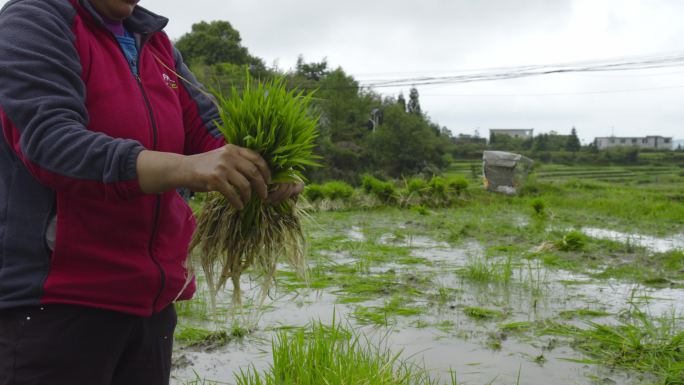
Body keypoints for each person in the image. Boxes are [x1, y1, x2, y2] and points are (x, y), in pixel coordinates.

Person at [0, 0, 301, 384]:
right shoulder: (35, 19)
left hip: (151, 304)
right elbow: (51, 142)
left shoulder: (154, 43)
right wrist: (187, 168)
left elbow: (209, 131)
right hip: (57, 305)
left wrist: (267, 165)